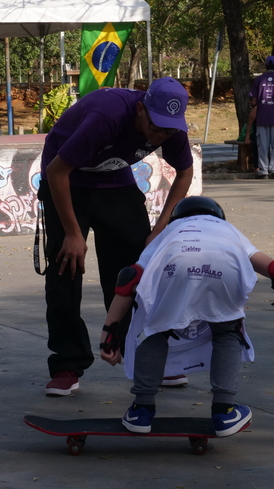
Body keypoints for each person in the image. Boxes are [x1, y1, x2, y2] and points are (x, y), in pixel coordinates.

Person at [98, 196, 274, 436]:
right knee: (227, 331)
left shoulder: (170, 230)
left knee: (158, 330)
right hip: (224, 268)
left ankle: (141, 411)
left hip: (174, 267)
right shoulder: (227, 229)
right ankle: (225, 412)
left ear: (176, 218)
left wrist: (109, 334)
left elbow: (129, 277)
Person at [39, 77, 194, 397]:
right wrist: (72, 234)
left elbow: (185, 172)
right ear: (140, 109)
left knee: (136, 270)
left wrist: (160, 228)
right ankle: (68, 364)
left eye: (168, 131)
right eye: (156, 128)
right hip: (66, 181)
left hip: (115, 182)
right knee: (66, 268)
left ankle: (145, 355)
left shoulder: (171, 128)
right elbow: (56, 172)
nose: (160, 136)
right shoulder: (107, 115)